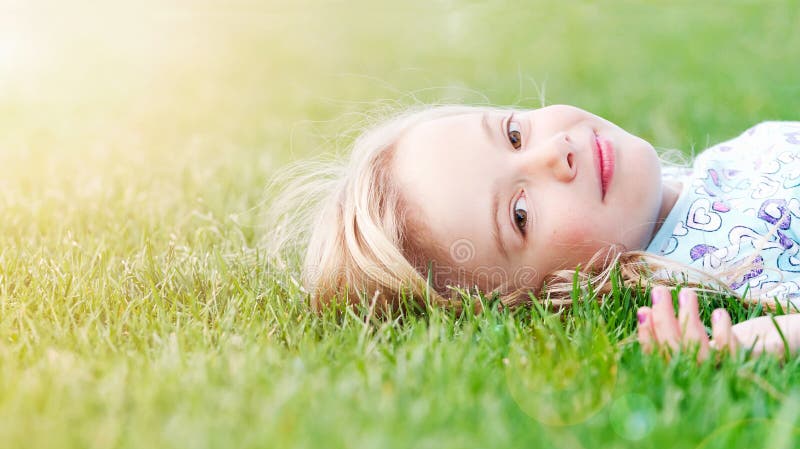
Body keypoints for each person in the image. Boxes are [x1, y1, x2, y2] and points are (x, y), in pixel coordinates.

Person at [282, 103, 800, 359]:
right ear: (549, 295)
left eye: (513, 134)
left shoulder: (722, 165)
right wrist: (743, 344)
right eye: (521, 213)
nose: (554, 153)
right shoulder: (721, 263)